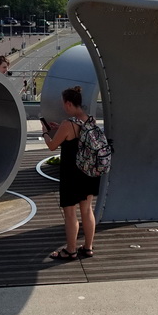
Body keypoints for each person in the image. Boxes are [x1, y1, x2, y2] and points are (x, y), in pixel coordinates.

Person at [42, 86, 99, 260]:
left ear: (68, 103)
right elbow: (79, 136)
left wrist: (45, 132)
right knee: (87, 210)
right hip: (89, 172)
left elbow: (52, 145)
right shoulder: (91, 120)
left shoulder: (68, 124)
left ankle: (70, 250)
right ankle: (88, 247)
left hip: (72, 174)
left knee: (70, 214)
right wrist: (60, 128)